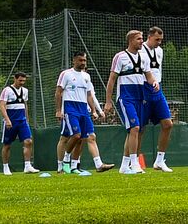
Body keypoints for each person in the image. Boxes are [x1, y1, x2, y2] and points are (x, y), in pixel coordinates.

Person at [55, 51, 113, 175]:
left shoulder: (86, 76)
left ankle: (98, 164)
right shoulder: (66, 74)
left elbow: (89, 95)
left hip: (83, 109)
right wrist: (58, 110)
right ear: (74, 60)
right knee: (75, 136)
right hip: (70, 108)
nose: (83, 63)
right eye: (80, 60)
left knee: (90, 137)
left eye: (84, 61)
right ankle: (65, 162)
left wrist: (93, 110)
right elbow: (58, 92)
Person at [104, 30, 149, 174]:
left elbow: (148, 75)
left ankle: (124, 166)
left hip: (140, 97)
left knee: (135, 130)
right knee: (134, 128)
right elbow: (112, 79)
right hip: (126, 97)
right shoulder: (120, 57)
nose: (142, 41)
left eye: (142, 39)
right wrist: (108, 101)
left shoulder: (144, 57)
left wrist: (154, 84)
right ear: (130, 40)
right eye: (139, 39)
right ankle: (135, 163)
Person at [138, 27, 175, 171]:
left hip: (157, 89)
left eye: (161, 40)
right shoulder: (140, 51)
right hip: (143, 89)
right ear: (149, 37)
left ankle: (160, 160)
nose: (159, 42)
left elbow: (157, 70)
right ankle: (133, 161)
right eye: (156, 39)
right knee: (140, 128)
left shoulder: (160, 51)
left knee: (168, 124)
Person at [0, 72, 38, 175]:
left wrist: (27, 120)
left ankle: (28, 166)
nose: (22, 83)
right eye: (20, 80)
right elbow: (2, 105)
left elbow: (25, 105)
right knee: (7, 145)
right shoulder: (7, 90)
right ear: (15, 79)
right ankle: (6, 167)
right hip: (11, 121)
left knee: (28, 141)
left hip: (22, 121)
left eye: (24, 81)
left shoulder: (25, 91)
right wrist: (7, 120)